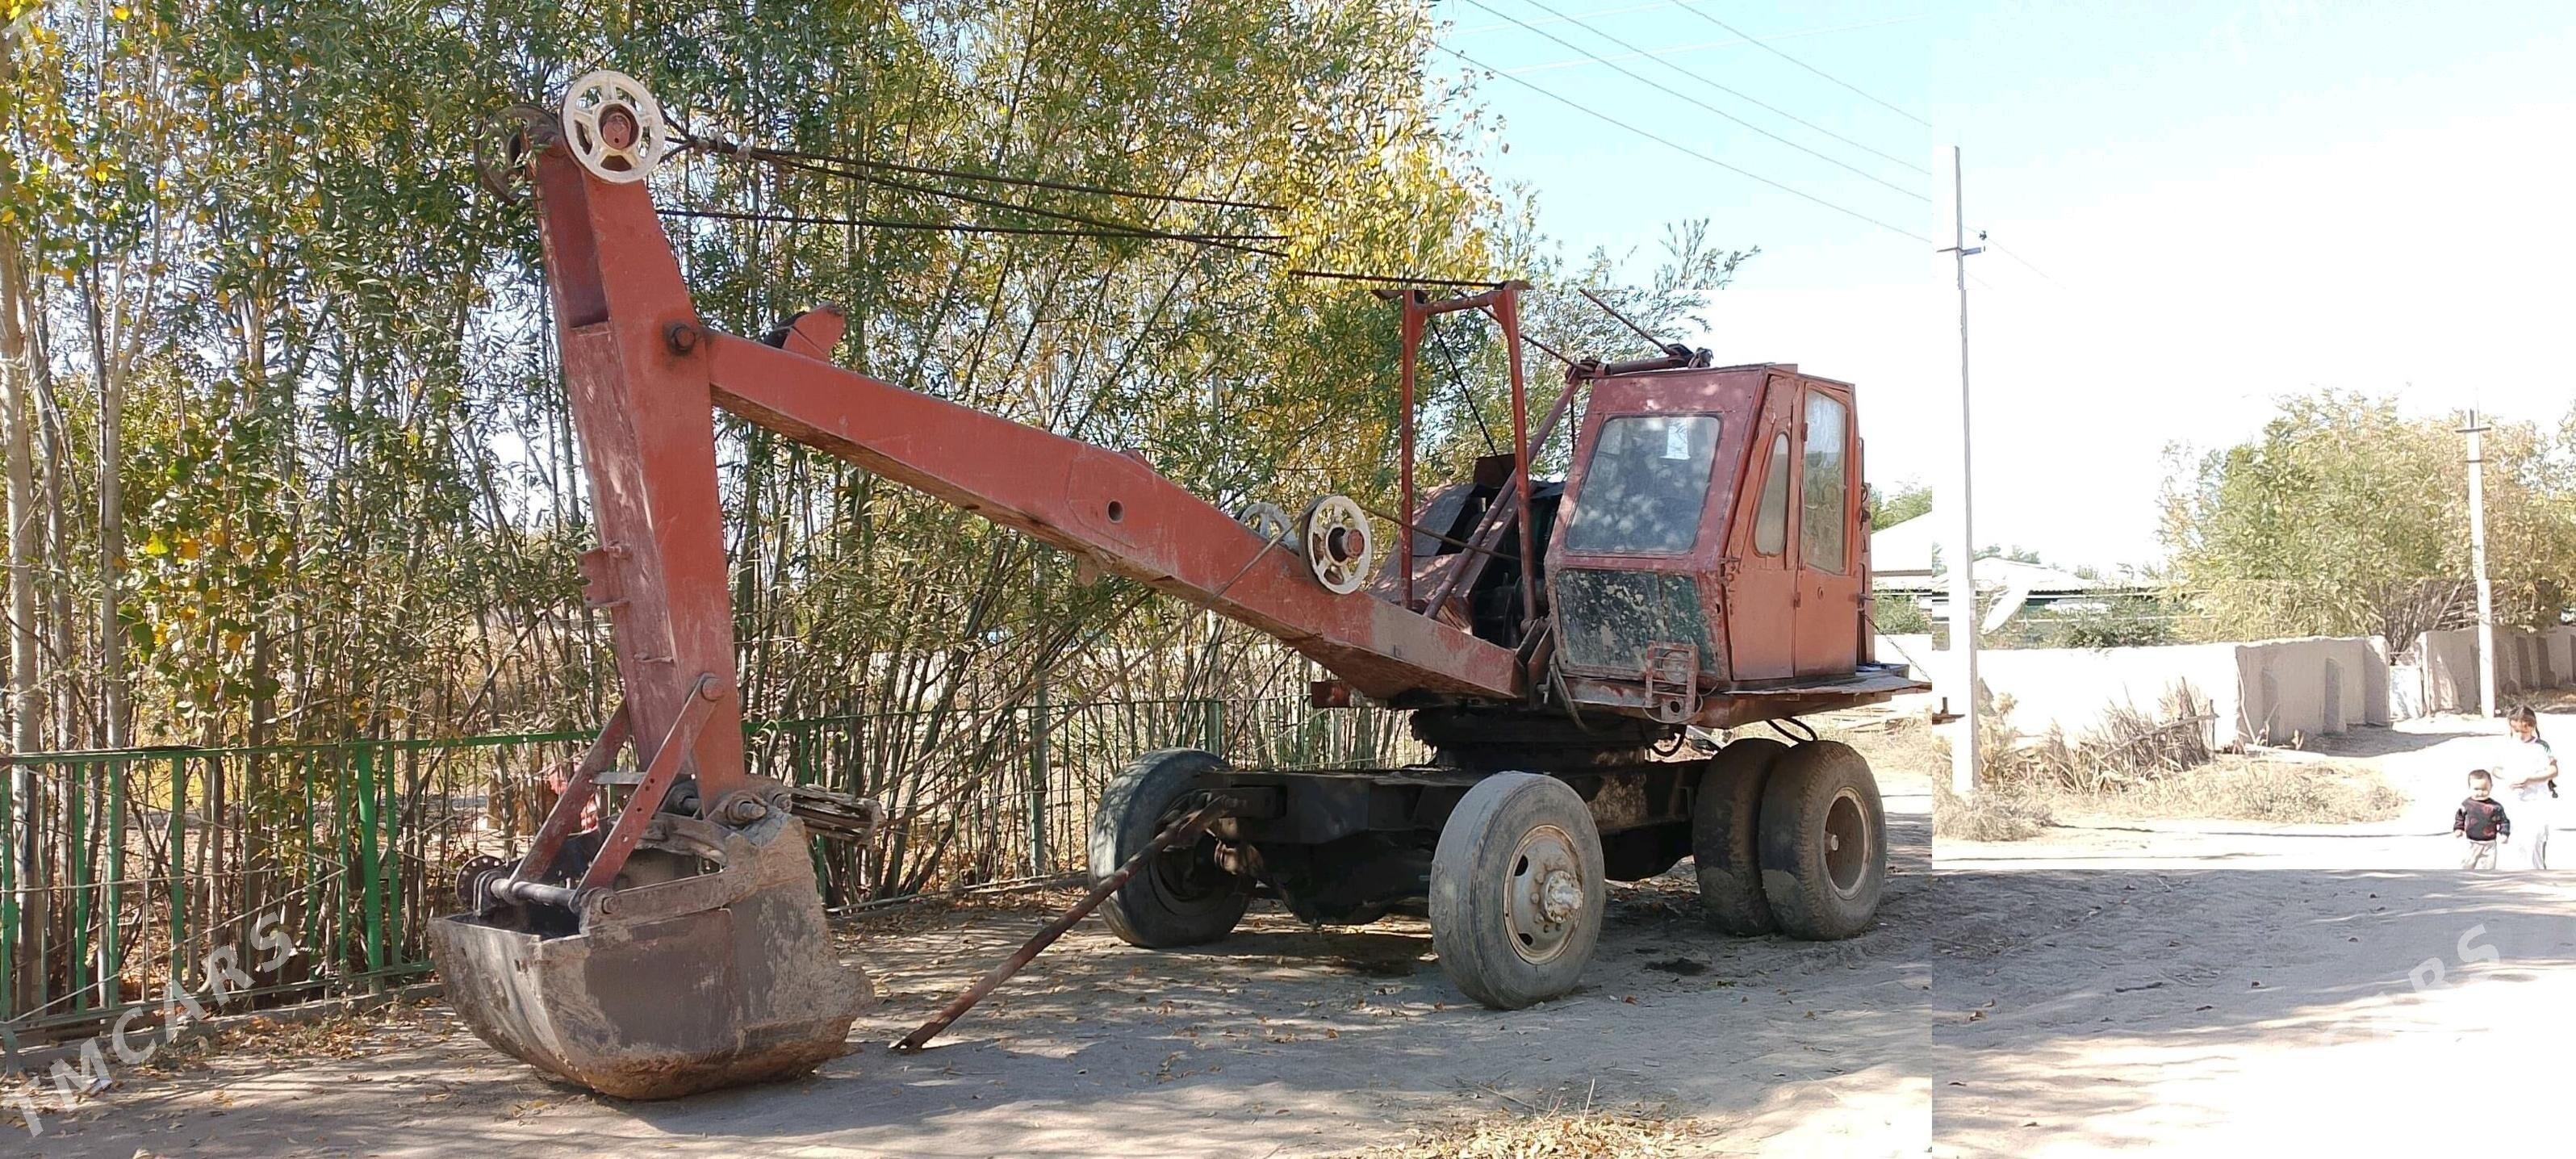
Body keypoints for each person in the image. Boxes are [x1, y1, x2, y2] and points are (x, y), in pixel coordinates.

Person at [2499, 705, 2558, 870]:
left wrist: (2530, 780)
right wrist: (2508, 776)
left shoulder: (2542, 746)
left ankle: (2538, 873)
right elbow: (2496, 769)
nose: (2520, 735)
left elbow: (2553, 771)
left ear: (2532, 726)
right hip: (2514, 801)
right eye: (2516, 731)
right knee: (2518, 842)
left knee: (2535, 840)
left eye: (2523, 731)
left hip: (2537, 801)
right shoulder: (2508, 746)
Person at [2454, 769, 2510, 870]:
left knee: (2488, 868)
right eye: (2476, 789)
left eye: (2484, 789)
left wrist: (2504, 833)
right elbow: (2460, 817)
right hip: (2471, 842)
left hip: (2489, 844)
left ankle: (2486, 882)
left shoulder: (2495, 807)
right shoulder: (2466, 805)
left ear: (2491, 787)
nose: (2480, 793)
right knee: (2467, 866)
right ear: (2469, 788)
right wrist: (2458, 828)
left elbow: (2504, 821)